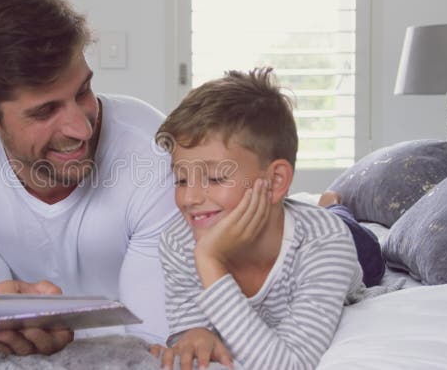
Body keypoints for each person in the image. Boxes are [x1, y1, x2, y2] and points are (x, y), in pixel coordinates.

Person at [0, 0, 182, 355]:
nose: (81, 128)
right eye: (45, 111)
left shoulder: (155, 152)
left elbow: (156, 340)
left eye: (82, 92)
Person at [153, 68, 365, 370]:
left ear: (276, 181)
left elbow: (290, 365)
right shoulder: (177, 240)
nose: (189, 199)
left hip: (357, 261)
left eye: (215, 177)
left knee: (358, 237)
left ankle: (332, 204)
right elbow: (188, 330)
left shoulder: (324, 243)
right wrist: (194, 333)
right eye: (181, 180)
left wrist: (210, 260)